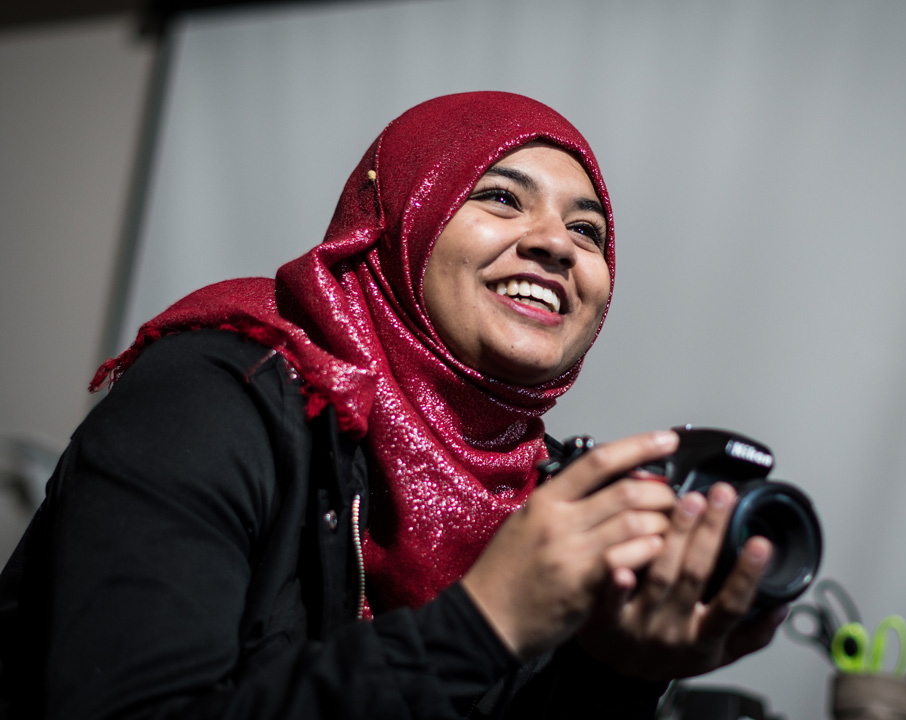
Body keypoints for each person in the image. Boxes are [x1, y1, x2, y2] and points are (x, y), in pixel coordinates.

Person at [0, 92, 783, 720]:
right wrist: (484, 625)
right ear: (395, 224)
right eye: (502, 198)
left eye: (589, 230)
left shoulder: (537, 487)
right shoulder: (218, 390)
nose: (558, 244)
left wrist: (614, 673)